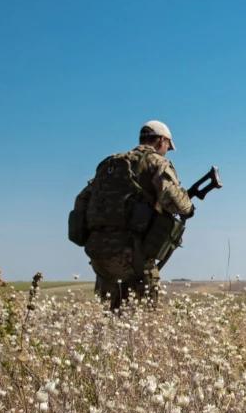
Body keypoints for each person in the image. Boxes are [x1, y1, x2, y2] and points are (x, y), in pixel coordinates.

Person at [79, 120, 195, 310]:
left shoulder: (110, 164)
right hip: (134, 255)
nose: (167, 150)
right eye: (167, 145)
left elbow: (82, 199)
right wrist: (188, 207)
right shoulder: (157, 162)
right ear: (160, 141)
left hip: (99, 253)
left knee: (110, 315)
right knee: (141, 323)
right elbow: (176, 202)